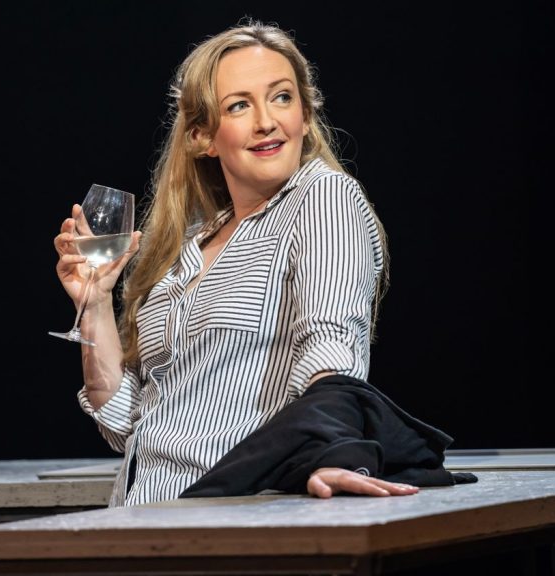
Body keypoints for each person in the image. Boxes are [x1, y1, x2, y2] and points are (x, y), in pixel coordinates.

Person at [53, 20, 418, 507]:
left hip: (237, 517)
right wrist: (95, 305)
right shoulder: (190, 244)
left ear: (305, 115)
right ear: (202, 136)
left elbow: (331, 341)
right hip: (142, 520)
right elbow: (124, 424)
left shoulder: (323, 197)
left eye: (282, 97)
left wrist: (335, 451)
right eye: (239, 106)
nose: (266, 121)